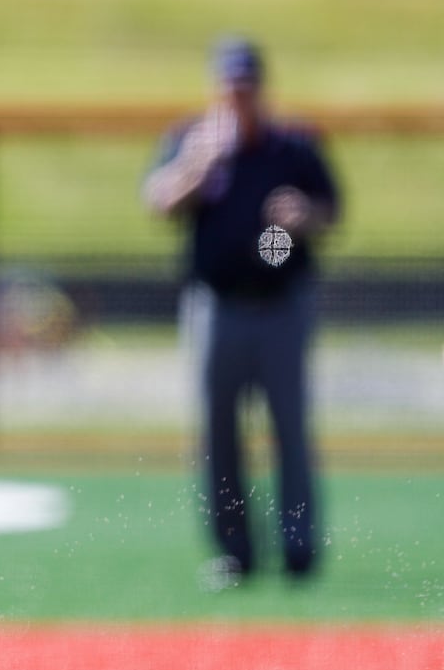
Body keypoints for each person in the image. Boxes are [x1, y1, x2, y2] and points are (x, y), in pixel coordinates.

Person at [142, 37, 341, 589]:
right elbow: (157, 201)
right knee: (218, 433)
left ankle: (298, 547)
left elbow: (330, 210)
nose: (239, 95)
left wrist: (303, 216)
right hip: (217, 304)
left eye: (247, 84)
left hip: (280, 304)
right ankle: (234, 552)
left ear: (261, 88)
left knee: (290, 428)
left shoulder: (292, 147)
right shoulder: (194, 141)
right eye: (230, 85)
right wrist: (196, 168)